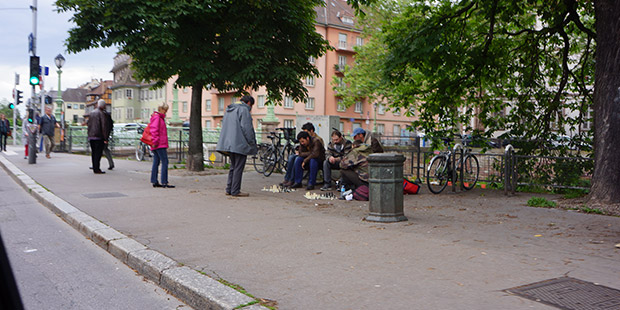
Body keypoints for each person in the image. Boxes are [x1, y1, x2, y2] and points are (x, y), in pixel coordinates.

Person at [216, 95, 257, 197]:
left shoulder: (229, 109)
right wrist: (252, 142)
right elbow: (247, 128)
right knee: (238, 167)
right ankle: (235, 190)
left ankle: (229, 189)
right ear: (249, 103)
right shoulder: (244, 110)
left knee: (233, 166)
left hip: (228, 143)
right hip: (239, 143)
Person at [280, 122, 324, 187]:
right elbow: (301, 153)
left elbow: (315, 154)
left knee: (312, 160)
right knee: (296, 158)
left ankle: (310, 183)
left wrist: (305, 160)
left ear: (307, 138)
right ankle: (295, 181)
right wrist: (306, 156)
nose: (302, 143)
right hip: (308, 157)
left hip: (317, 159)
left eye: (303, 141)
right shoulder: (302, 141)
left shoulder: (316, 140)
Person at [149, 103, 174, 188]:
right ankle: (164, 182)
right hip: (159, 144)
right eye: (165, 110)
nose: (166, 112)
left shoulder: (156, 117)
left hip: (156, 144)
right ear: (161, 109)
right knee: (165, 161)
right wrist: (155, 142)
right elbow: (154, 130)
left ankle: (154, 181)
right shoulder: (158, 118)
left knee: (156, 161)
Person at [87, 99, 110, 174]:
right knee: (98, 153)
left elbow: (89, 124)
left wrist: (89, 134)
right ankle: (97, 168)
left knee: (93, 153)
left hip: (91, 136)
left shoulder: (92, 113)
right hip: (98, 136)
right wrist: (106, 138)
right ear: (103, 106)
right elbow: (104, 126)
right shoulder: (101, 114)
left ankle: (94, 166)